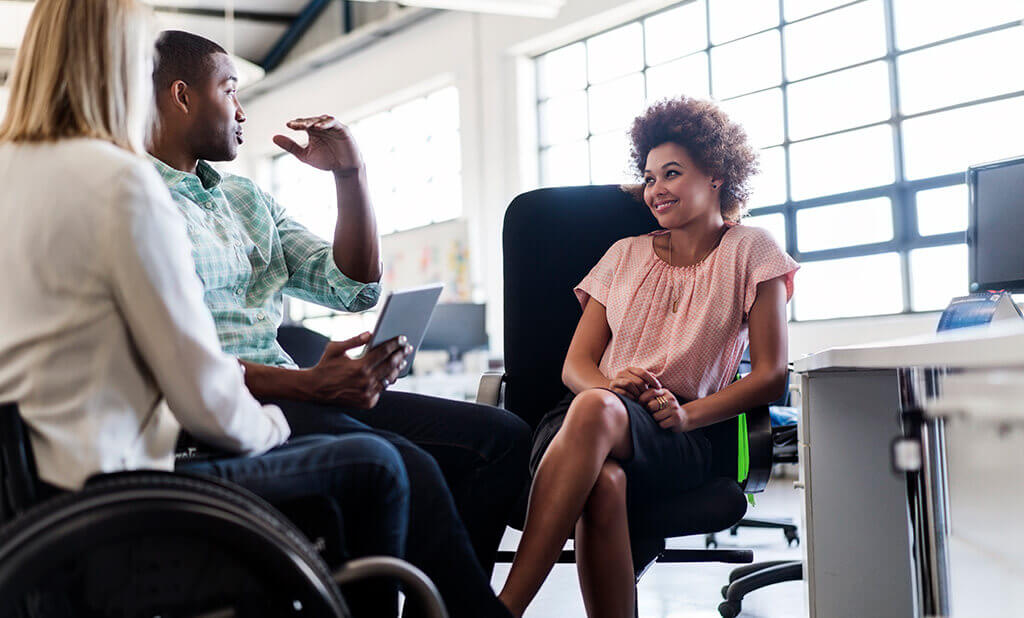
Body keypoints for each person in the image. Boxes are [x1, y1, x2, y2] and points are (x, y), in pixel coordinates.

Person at [0, 2, 410, 615]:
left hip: (25, 506)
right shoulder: (120, 182)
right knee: (375, 465)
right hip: (112, 502)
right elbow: (202, 398)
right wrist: (282, 415)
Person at [147, 30, 529, 618]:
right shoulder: (140, 203)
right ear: (182, 96)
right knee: (407, 465)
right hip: (228, 407)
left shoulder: (245, 199)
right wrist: (310, 383)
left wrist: (350, 177)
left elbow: (351, 288)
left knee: (499, 440)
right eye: (230, 90)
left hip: (291, 388)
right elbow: (172, 361)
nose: (243, 111)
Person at [497, 97, 800, 618]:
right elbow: (577, 367)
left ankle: (504, 607)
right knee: (604, 476)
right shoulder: (623, 253)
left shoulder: (753, 251)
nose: (656, 189)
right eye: (650, 177)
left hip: (677, 434)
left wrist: (685, 415)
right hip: (581, 421)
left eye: (673, 173)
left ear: (718, 174)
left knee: (596, 418)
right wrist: (612, 387)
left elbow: (771, 377)